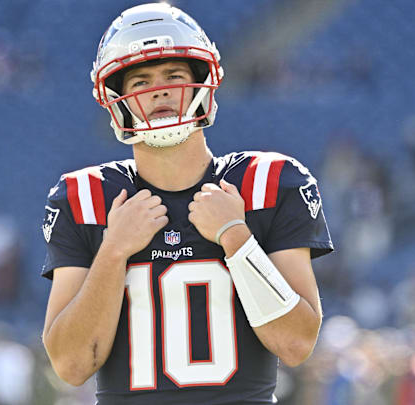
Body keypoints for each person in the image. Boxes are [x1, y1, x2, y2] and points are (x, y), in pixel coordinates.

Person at [40, 3, 333, 404]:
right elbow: (71, 366)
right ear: (117, 98)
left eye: (173, 75)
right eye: (140, 81)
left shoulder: (268, 183)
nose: (159, 89)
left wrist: (236, 237)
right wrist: (112, 251)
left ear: (202, 82)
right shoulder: (86, 197)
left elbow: (296, 344)